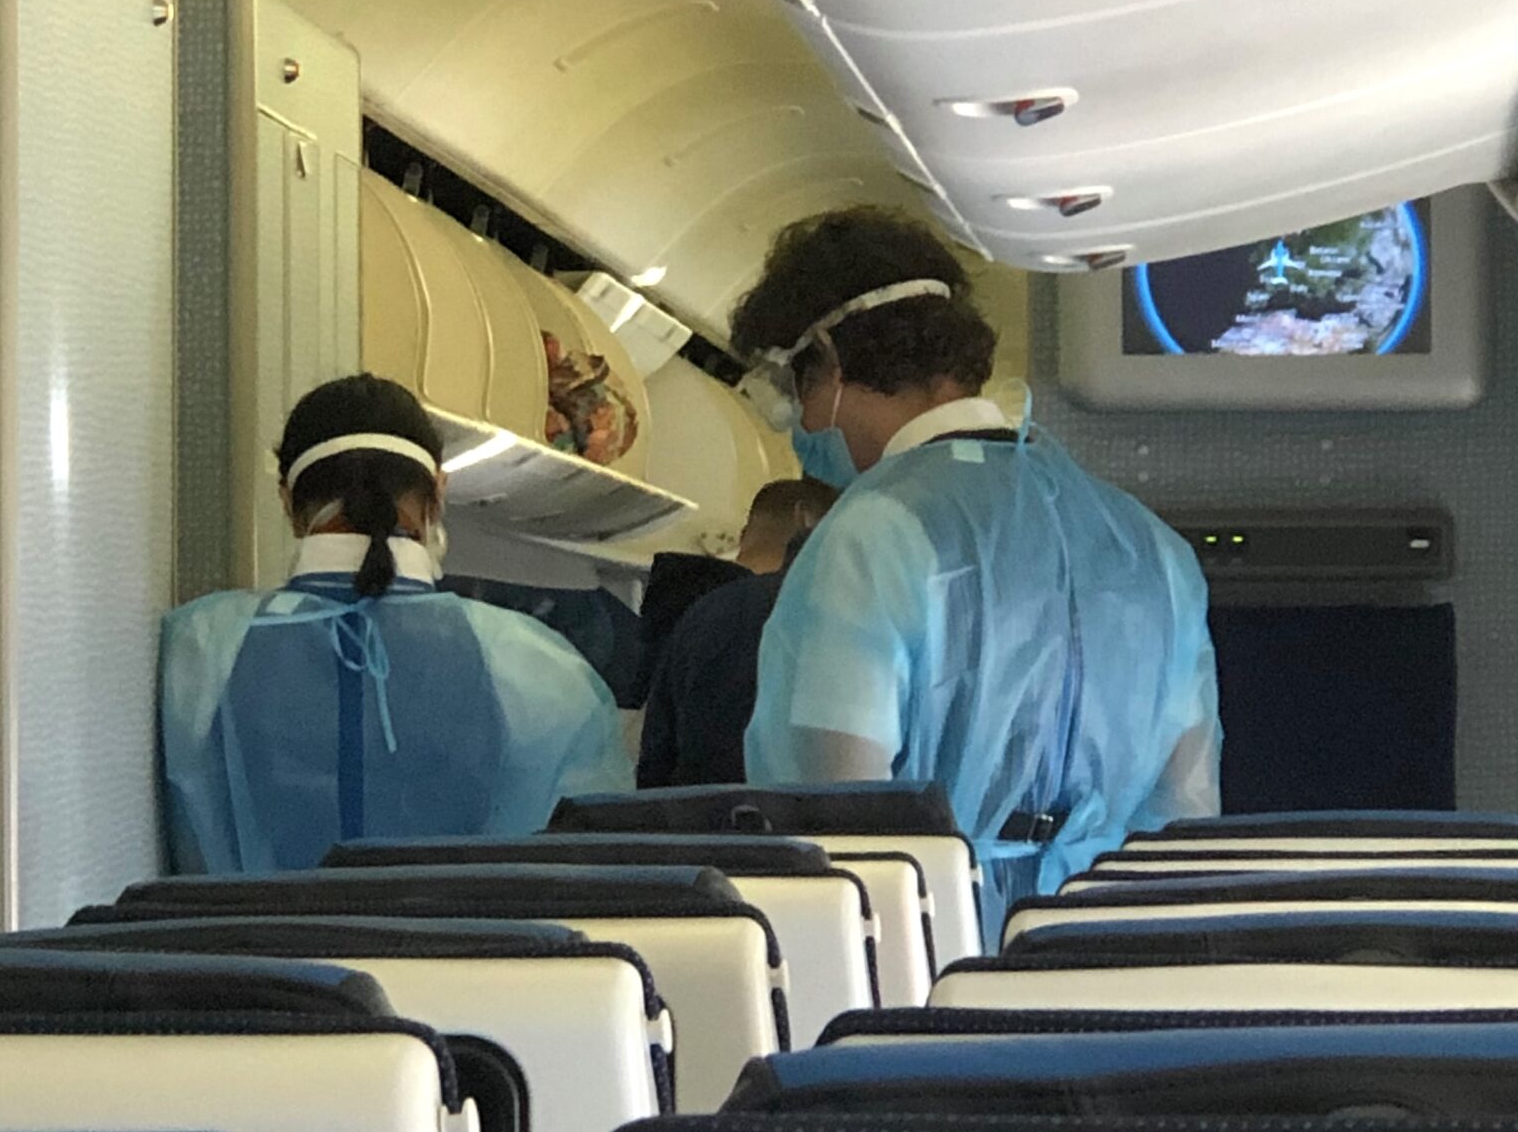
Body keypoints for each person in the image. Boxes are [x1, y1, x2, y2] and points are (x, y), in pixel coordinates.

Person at [731, 209, 1220, 936]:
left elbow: (834, 823)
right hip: (1104, 947)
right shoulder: (1151, 547)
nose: (803, 426)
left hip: (929, 953)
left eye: (796, 393)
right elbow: (1183, 816)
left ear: (828, 363)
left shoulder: (873, 533)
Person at [161, 374, 633, 872]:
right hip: (469, 926)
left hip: (248, 926)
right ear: (438, 492)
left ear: (287, 500)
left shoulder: (200, 647)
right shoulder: (538, 667)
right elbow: (588, 864)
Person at [638, 477, 840, 787]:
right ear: (806, 519)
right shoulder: (809, 612)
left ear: (744, 536)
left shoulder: (687, 612)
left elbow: (655, 765)